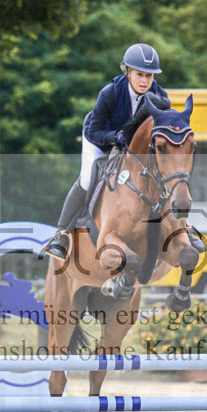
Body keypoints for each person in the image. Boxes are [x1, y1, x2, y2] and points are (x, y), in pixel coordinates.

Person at [45, 43, 169, 259]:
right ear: (127, 72)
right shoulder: (110, 93)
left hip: (133, 148)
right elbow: (94, 130)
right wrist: (115, 138)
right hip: (100, 139)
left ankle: (180, 228)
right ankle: (62, 233)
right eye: (139, 74)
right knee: (87, 179)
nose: (144, 81)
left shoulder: (159, 96)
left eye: (149, 76)